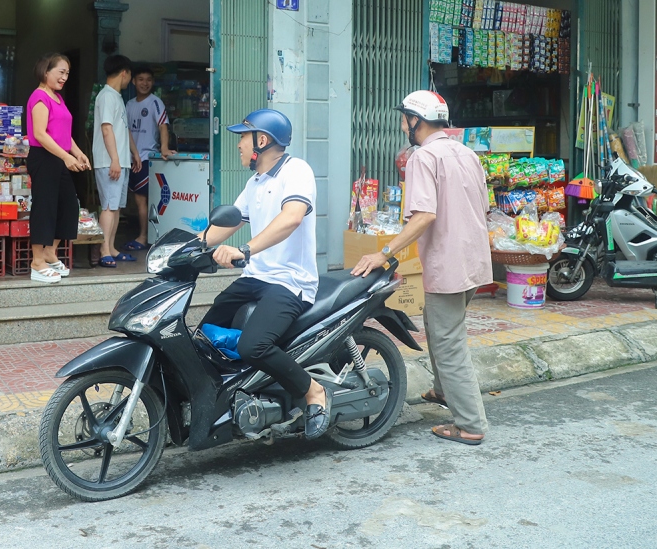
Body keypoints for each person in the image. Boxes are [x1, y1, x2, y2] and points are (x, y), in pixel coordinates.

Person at [351, 90, 491, 446]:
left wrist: (383, 252)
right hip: (474, 259)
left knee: (448, 342)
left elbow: (424, 215)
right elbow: (483, 205)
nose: (402, 125)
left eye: (404, 118)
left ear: (417, 120)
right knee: (439, 323)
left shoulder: (422, 157)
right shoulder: (468, 154)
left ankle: (470, 423)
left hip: (448, 262)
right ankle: (444, 390)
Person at [201, 109, 331, 440]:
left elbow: (291, 218)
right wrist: (187, 249)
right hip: (257, 278)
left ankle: (313, 392)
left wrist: (245, 251)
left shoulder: (296, 171)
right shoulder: (255, 181)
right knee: (204, 333)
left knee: (253, 346)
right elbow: (228, 223)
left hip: (291, 281)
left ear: (262, 140)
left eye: (242, 138)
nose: (238, 145)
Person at [26, 53, 91, 284]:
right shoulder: (40, 96)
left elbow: (63, 133)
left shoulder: (58, 98)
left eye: (67, 74)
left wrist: (78, 153)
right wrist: (65, 156)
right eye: (61, 72)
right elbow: (41, 134)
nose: (65, 78)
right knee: (45, 208)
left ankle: (49, 253)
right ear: (46, 71)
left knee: (69, 206)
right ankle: (37, 262)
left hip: (59, 157)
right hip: (44, 157)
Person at [92, 54, 140, 268]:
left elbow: (123, 129)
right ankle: (104, 250)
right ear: (124, 73)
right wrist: (114, 159)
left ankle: (111, 247)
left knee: (117, 207)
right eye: (130, 76)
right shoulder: (107, 96)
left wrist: (134, 153)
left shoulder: (117, 97)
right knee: (109, 206)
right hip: (109, 160)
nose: (130, 80)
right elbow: (106, 128)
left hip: (120, 161)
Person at [124, 65, 175, 251]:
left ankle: (144, 236)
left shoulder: (155, 102)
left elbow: (163, 126)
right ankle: (144, 235)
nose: (144, 83)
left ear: (152, 82)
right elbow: (126, 130)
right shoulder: (129, 105)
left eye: (148, 80)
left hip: (146, 158)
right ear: (133, 81)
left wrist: (164, 148)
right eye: (140, 79)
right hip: (130, 158)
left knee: (142, 200)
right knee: (138, 201)